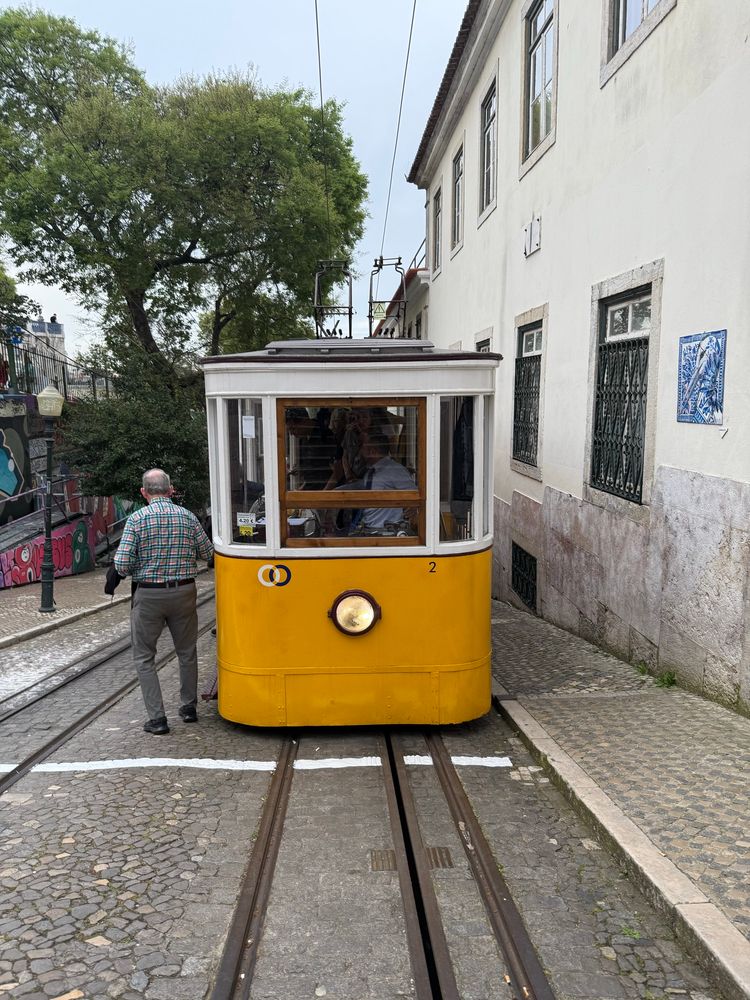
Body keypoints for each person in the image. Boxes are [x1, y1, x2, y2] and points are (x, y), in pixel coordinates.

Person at [113, 469, 214, 735]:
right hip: (184, 592)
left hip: (149, 595)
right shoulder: (188, 517)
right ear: (170, 490)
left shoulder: (136, 519)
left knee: (145, 657)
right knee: (187, 651)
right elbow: (208, 552)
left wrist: (142, 562)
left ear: (143, 492)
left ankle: (157, 719)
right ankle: (188, 707)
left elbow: (122, 565)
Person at [354, 433, 415, 534]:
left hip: (387, 534)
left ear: (372, 452)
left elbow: (414, 494)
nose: (360, 452)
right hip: (369, 531)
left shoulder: (394, 470)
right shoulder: (370, 471)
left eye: (362, 448)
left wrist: (412, 508)